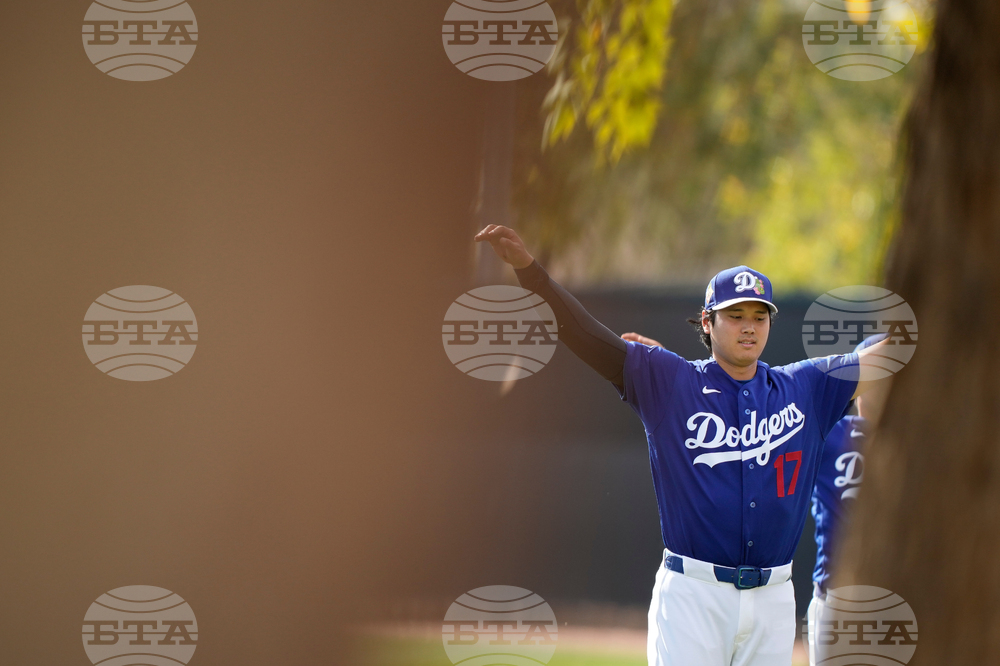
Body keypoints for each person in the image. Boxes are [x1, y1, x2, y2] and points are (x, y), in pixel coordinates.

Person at [474, 224, 889, 666]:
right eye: (735, 315)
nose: (749, 327)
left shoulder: (804, 387)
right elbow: (585, 336)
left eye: (759, 316)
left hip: (774, 600)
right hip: (695, 596)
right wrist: (530, 272)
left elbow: (891, 356)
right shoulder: (671, 381)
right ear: (707, 322)